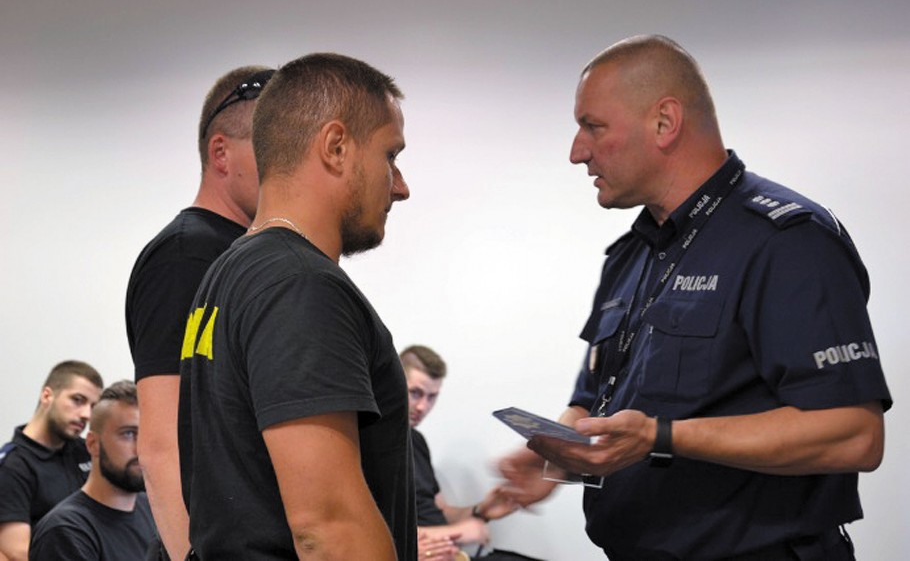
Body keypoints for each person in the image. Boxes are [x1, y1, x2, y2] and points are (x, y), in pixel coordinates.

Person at [498, 34, 892, 561]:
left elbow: (854, 435)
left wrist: (662, 437)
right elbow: (596, 399)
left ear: (665, 123)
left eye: (593, 127)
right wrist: (561, 454)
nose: (577, 152)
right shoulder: (631, 254)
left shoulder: (785, 242)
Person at [178, 52, 416, 560]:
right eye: (390, 155)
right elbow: (326, 529)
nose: (400, 186)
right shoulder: (300, 285)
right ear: (335, 147)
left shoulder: (228, 273)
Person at [125, 64, 273, 561]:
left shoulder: (248, 255)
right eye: (272, 151)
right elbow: (162, 442)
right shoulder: (187, 256)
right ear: (220, 153)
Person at [402, 345, 541, 561]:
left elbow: (441, 512)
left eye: (432, 397)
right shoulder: (368, 442)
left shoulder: (416, 442)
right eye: (415, 393)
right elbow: (372, 533)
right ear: (393, 384)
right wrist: (455, 532)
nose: (422, 406)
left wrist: (481, 511)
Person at [30, 380, 156, 560]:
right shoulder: (66, 531)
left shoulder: (152, 509)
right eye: (128, 434)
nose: (140, 448)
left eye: (146, 434)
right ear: (92, 444)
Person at [0, 361, 104, 561]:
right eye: (77, 400)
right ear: (47, 395)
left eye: (93, 406)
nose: (87, 414)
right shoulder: (13, 466)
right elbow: (18, 554)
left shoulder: (87, 450)